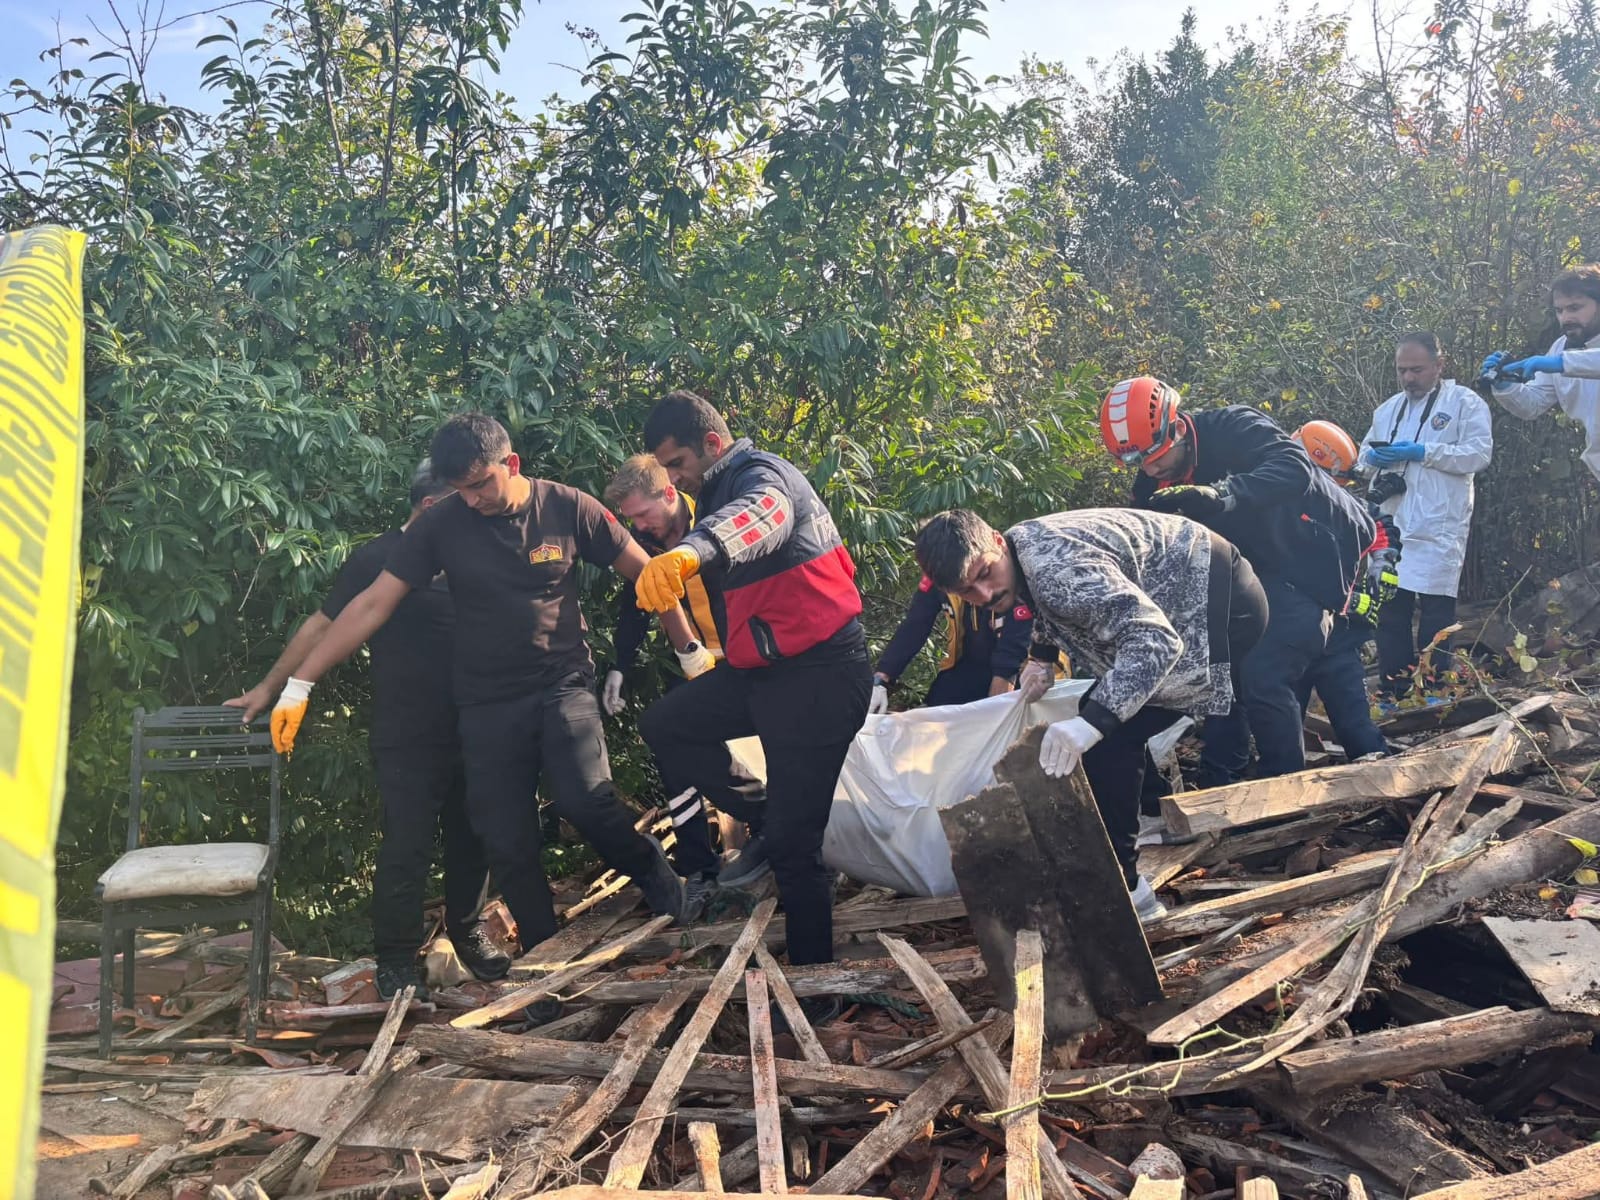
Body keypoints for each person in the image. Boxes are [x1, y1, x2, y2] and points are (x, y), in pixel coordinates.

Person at [266, 414, 690, 961]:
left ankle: (649, 866)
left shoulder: (567, 506)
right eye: (460, 490)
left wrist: (689, 650)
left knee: (586, 800)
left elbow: (646, 573)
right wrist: (300, 684)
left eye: (479, 485)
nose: (471, 500)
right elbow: (372, 604)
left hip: (561, 683)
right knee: (506, 838)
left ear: (510, 464)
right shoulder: (441, 524)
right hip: (487, 701)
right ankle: (543, 958)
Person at [226, 461, 504, 1000]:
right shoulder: (379, 560)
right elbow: (323, 624)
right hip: (408, 731)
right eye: (460, 500)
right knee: (407, 844)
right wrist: (270, 687)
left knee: (475, 836)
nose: (473, 509)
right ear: (429, 507)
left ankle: (469, 935)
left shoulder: (472, 554)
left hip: (476, 724)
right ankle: (397, 958)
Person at [913, 508, 1268, 922]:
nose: (985, 594)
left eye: (985, 574)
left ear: (994, 540)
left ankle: (1126, 888)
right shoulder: (1019, 555)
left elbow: (1155, 641)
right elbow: (1051, 608)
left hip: (1220, 604)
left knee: (1110, 733)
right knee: (1110, 712)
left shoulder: (1057, 571)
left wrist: (1093, 724)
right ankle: (1152, 816)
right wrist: (1042, 657)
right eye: (967, 591)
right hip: (1191, 586)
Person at [634, 391, 872, 973]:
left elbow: (759, 518)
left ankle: (818, 983)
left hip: (820, 677)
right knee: (666, 724)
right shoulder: (712, 490)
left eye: (678, 464)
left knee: (796, 848)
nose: (674, 478)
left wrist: (691, 552)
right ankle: (765, 814)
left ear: (712, 445)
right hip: (762, 675)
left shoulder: (763, 475)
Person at [1101, 376, 1373, 784]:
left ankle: (1284, 794)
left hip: (1307, 562)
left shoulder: (1233, 427)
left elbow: (1294, 466)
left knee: (1265, 674)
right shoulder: (1151, 482)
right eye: (1139, 461)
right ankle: (1220, 781)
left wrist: (1222, 493)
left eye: (1156, 454)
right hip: (1242, 575)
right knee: (1219, 675)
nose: (1151, 467)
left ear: (1176, 426)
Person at [601, 454, 754, 890]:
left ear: (669, 493)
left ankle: (773, 832)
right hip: (691, 661)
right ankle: (697, 864)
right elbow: (636, 605)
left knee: (771, 745)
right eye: (632, 519)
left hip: (748, 657)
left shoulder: (714, 514)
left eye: (644, 515)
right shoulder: (643, 540)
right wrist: (620, 666)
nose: (641, 526)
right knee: (673, 749)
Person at [1359, 332, 1493, 702]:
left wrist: (1424, 451)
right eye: (1402, 370)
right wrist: (1371, 460)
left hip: (1439, 525)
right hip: (1393, 522)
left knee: (1436, 615)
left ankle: (1435, 690)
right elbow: (1360, 455)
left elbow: (1478, 455)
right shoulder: (1388, 410)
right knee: (1390, 611)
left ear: (1439, 364)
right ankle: (1395, 689)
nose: (1408, 378)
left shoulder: (1465, 403)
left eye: (1417, 369)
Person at [1289, 421, 1390, 761]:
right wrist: (1348, 599)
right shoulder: (1274, 507)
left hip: (1339, 642)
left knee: (1356, 727)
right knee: (1284, 732)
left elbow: (1375, 527)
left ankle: (1383, 784)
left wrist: (1383, 564)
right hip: (1289, 640)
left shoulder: (1342, 503)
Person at [1486, 263, 1600, 486]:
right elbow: (1533, 404)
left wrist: (1561, 363)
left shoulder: (1561, 358)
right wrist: (1504, 384)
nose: (1565, 318)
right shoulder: (1561, 347)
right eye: (1560, 310)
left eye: (1575, 308)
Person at [868, 577, 1032, 713]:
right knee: (935, 710)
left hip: (1025, 669)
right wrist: (882, 678)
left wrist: (996, 710)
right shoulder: (938, 573)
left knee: (1003, 721)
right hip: (969, 664)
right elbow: (915, 624)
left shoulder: (1004, 572)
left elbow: (1014, 647)